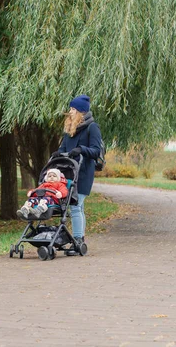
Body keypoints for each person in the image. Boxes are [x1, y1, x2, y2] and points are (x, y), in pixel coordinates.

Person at [52, 94, 102, 245]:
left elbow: (95, 151)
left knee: (75, 205)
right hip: (69, 172)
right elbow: (63, 147)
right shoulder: (69, 128)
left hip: (84, 172)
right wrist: (58, 153)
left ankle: (78, 239)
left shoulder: (92, 127)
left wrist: (81, 149)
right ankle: (80, 238)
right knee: (78, 206)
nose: (70, 111)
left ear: (81, 111)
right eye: (70, 108)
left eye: (73, 108)